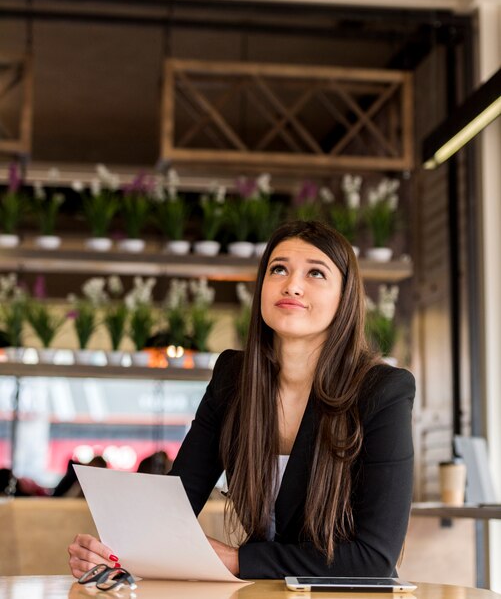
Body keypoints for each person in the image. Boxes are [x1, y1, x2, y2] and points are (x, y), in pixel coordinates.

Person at [68, 220, 415, 580]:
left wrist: (237, 560)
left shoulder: (383, 390)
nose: (292, 285)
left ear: (344, 297)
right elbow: (177, 503)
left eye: (316, 274)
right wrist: (116, 552)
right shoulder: (233, 378)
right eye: (278, 269)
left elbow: (374, 559)